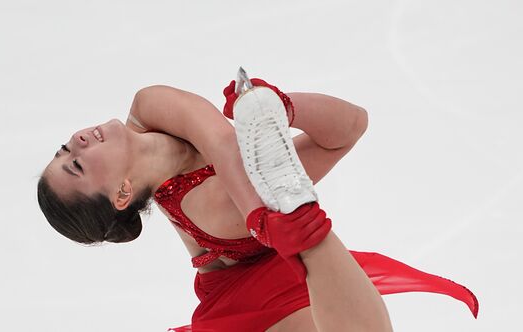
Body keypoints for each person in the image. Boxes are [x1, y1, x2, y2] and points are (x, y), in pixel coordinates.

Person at [37, 68, 478, 332]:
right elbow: (233, 152)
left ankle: (287, 186)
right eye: (77, 164)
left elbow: (346, 128)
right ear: (121, 194)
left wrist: (280, 109)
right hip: (246, 264)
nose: (77, 141)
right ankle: (296, 215)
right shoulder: (213, 207)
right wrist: (263, 217)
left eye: (65, 150)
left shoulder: (149, 107)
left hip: (249, 244)